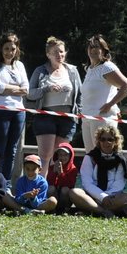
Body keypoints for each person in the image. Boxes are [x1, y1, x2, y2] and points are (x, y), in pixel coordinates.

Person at [26, 36, 81, 167]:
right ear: (48, 54)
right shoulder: (40, 71)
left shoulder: (72, 71)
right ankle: (43, 185)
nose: (59, 55)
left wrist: (79, 112)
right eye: (55, 52)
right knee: (45, 156)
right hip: (45, 116)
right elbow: (29, 93)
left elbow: (80, 94)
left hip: (68, 117)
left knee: (60, 157)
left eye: (61, 51)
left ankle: (56, 186)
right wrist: (46, 89)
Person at [0, 32, 28, 179]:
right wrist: (17, 89)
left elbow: (26, 89)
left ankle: (5, 182)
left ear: (17, 50)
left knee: (12, 150)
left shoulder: (19, 65)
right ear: (1, 49)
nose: (9, 52)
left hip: (18, 112)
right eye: (6, 48)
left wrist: (9, 89)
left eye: (13, 49)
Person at [79, 35, 127, 154]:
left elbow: (126, 86)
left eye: (96, 47)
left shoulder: (106, 67)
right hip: (87, 118)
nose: (93, 50)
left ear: (103, 50)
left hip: (103, 119)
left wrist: (110, 104)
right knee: (91, 156)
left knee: (106, 156)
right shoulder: (90, 69)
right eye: (90, 47)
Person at [71, 124, 127, 217]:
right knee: (75, 192)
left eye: (110, 139)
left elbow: (119, 184)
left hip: (112, 197)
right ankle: (105, 211)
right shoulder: (90, 157)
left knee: (124, 198)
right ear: (99, 141)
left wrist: (107, 197)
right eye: (103, 139)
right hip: (92, 195)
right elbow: (87, 183)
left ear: (115, 141)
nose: (106, 142)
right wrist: (102, 197)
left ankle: (93, 210)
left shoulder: (120, 160)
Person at [44, 142, 78, 213]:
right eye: (60, 155)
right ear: (57, 156)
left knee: (65, 189)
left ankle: (64, 209)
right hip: (56, 195)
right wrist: (54, 172)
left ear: (70, 156)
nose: (63, 157)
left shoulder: (73, 169)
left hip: (66, 197)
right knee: (51, 188)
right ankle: (52, 208)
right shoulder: (52, 167)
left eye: (65, 155)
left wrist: (61, 173)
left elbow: (69, 184)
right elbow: (49, 183)